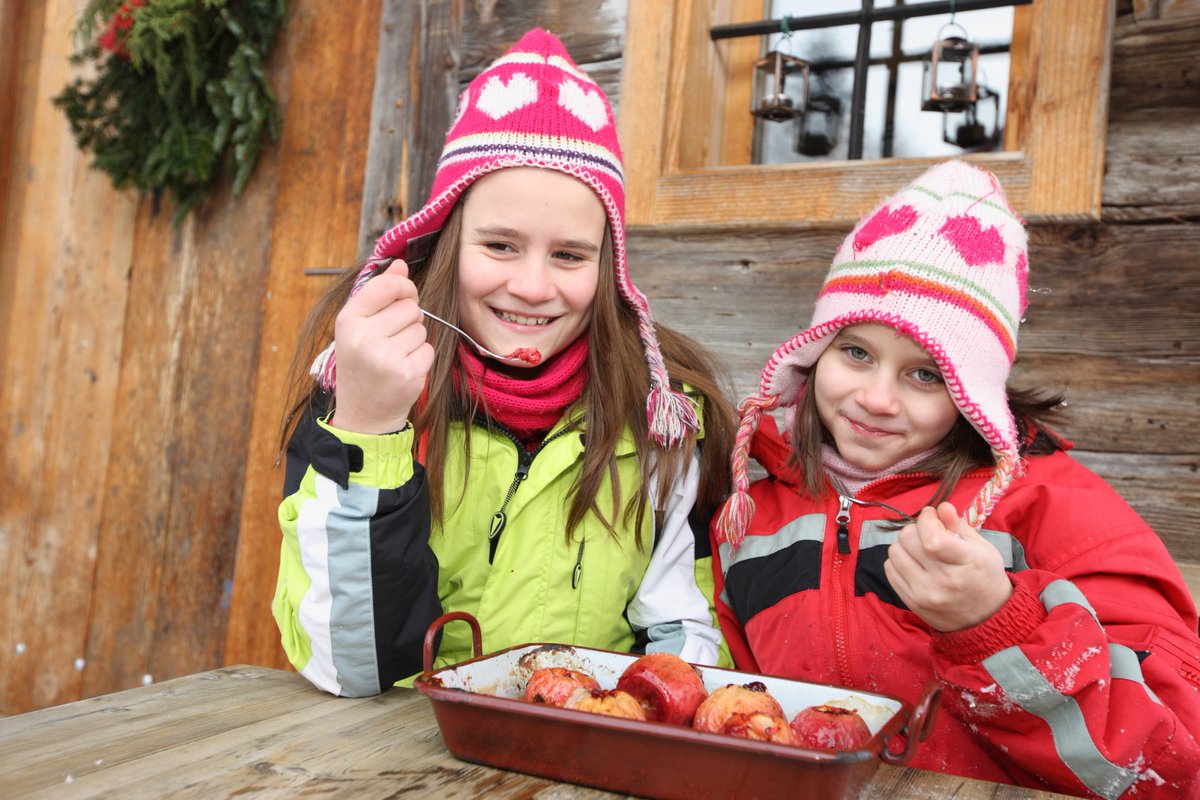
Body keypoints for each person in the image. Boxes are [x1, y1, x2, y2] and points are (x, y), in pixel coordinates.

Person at [711, 160, 1200, 798]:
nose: (876, 399)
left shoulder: (1053, 510)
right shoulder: (754, 515)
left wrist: (994, 625)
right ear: (815, 353)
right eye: (856, 352)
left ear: (973, 396)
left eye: (927, 375)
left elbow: (1171, 758)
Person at [272, 29, 735, 697]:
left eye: (570, 256)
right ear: (449, 240)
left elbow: (681, 645)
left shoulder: (661, 423)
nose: (533, 286)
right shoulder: (366, 392)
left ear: (609, 269)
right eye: (501, 245)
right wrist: (370, 428)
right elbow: (351, 667)